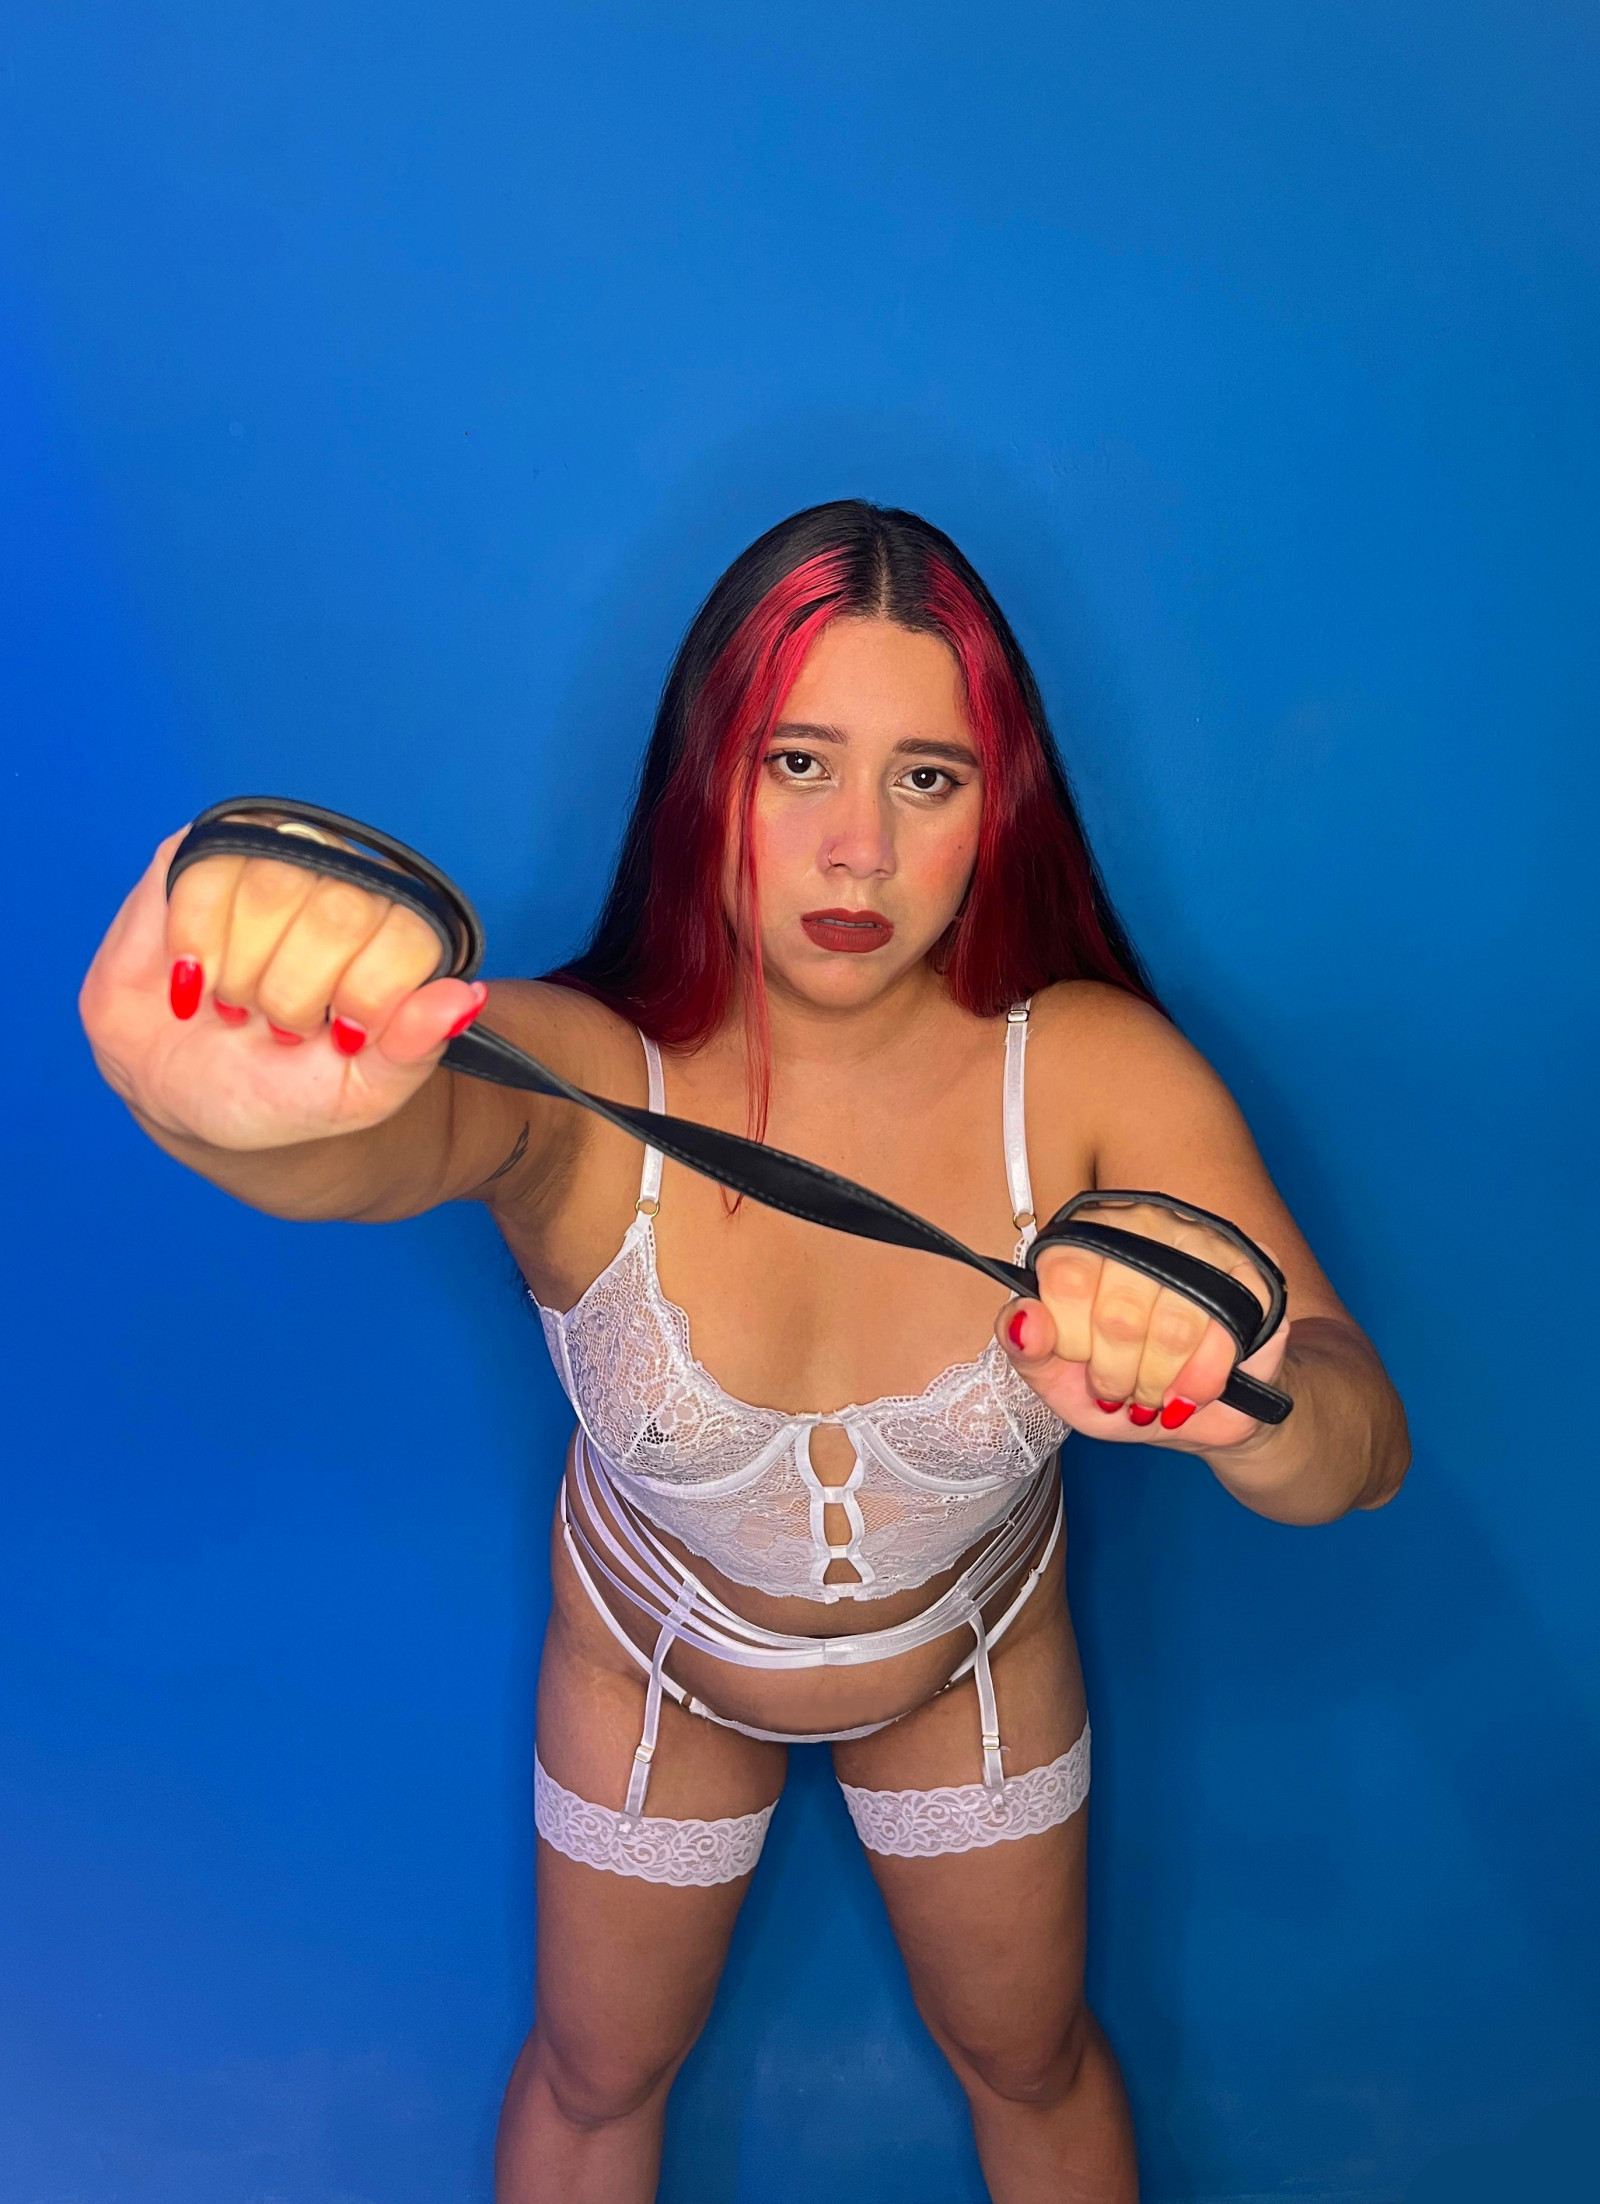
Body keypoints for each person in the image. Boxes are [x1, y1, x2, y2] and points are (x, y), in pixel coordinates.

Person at [80, 502, 1409, 2203]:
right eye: (798, 764)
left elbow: (1360, 1444)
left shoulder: (1095, 1073)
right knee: (594, 2079)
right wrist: (221, 1114)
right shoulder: (581, 1074)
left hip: (972, 1656)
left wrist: (1248, 1411)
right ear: (706, 772)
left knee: (1033, 2062)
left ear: (1000, 805)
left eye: (927, 777)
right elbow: (380, 1140)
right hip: (652, 1658)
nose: (859, 848)